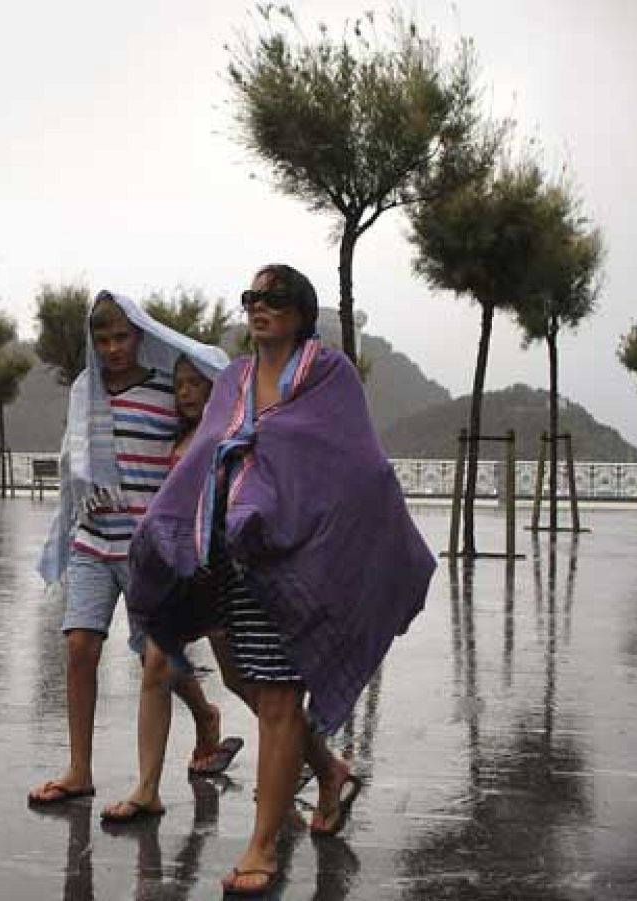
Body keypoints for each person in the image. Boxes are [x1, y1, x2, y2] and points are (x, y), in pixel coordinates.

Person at [127, 265, 436, 896]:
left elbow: (354, 463)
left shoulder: (328, 373)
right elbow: (210, 451)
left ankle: (262, 845)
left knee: (278, 700)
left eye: (272, 299)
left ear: (299, 311)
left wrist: (282, 488)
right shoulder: (235, 379)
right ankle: (330, 771)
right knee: (253, 685)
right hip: (238, 560)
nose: (258, 308)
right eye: (250, 298)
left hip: (302, 563)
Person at [28, 291, 234, 808]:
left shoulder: (168, 390)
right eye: (104, 339)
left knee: (155, 659)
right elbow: (74, 460)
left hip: (149, 551)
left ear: (139, 336)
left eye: (122, 337)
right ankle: (79, 769)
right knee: (79, 646)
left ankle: (205, 714)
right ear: (93, 343)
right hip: (93, 539)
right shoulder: (86, 391)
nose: (114, 348)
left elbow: (199, 431)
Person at [98, 355, 247, 825]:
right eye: (178, 383)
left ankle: (322, 764)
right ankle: (147, 789)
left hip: (217, 574)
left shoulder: (226, 434)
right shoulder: (179, 437)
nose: (183, 392)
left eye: (194, 383)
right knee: (156, 668)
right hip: (179, 573)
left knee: (244, 680)